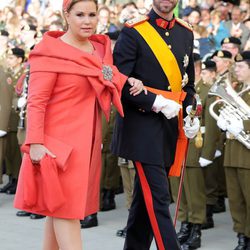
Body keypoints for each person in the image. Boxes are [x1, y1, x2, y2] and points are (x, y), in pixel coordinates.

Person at [14, 0, 144, 249]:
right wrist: (36, 143)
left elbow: (107, 75)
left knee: (58, 211)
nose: (87, 21)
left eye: (92, 14)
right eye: (80, 14)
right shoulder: (49, 51)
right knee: (67, 212)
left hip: (87, 143)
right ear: (67, 15)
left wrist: (128, 81)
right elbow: (36, 102)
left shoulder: (98, 49)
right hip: (57, 146)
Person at [111, 0, 200, 249]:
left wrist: (192, 111)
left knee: (144, 202)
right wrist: (155, 102)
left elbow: (188, 84)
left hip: (170, 126)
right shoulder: (134, 30)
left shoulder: (186, 32)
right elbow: (119, 81)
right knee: (159, 197)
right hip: (141, 127)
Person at [217, 50, 250, 250]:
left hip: (247, 157)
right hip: (232, 154)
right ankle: (241, 235)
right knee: (236, 200)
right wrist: (224, 123)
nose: (235, 69)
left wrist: (243, 127)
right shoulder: (239, 92)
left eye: (240, 67)